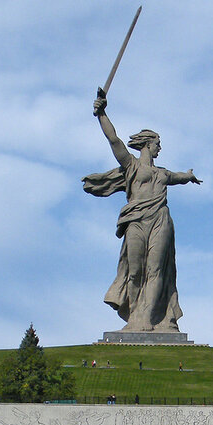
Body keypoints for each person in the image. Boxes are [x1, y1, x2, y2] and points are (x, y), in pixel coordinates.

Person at [83, 88, 201, 333]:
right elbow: (113, 140)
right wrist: (102, 113)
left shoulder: (163, 173)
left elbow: (179, 177)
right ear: (147, 143)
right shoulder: (131, 166)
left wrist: (189, 176)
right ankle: (135, 317)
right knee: (134, 270)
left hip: (160, 220)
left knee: (156, 269)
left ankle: (148, 318)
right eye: (158, 143)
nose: (160, 148)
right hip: (136, 220)